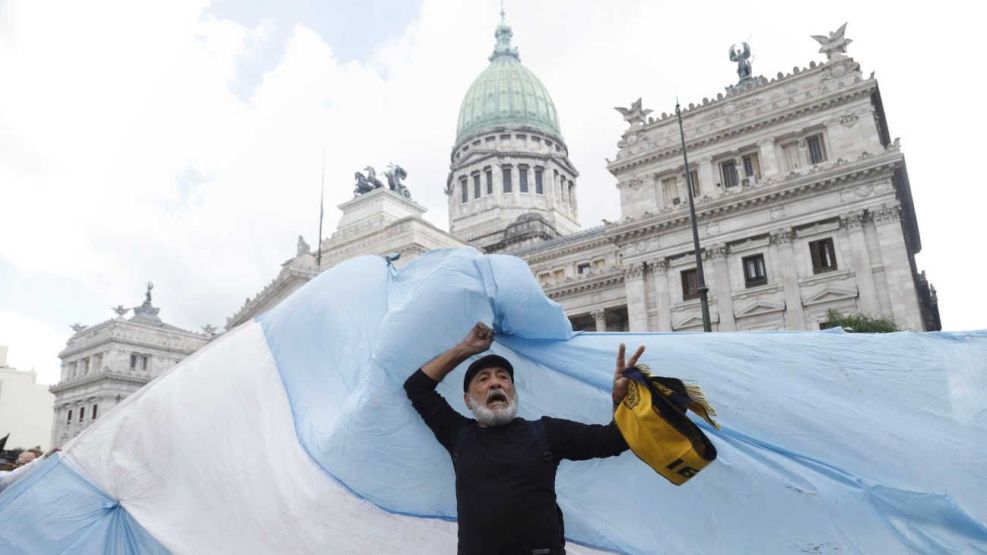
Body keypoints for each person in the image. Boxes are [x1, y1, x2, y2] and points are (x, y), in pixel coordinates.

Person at [404, 322, 645, 554]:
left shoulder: (546, 433)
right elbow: (417, 388)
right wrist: (466, 348)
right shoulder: (458, 435)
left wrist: (619, 399)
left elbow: (614, 439)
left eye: (503, 377)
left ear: (513, 392)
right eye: (484, 378)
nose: (495, 383)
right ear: (468, 400)